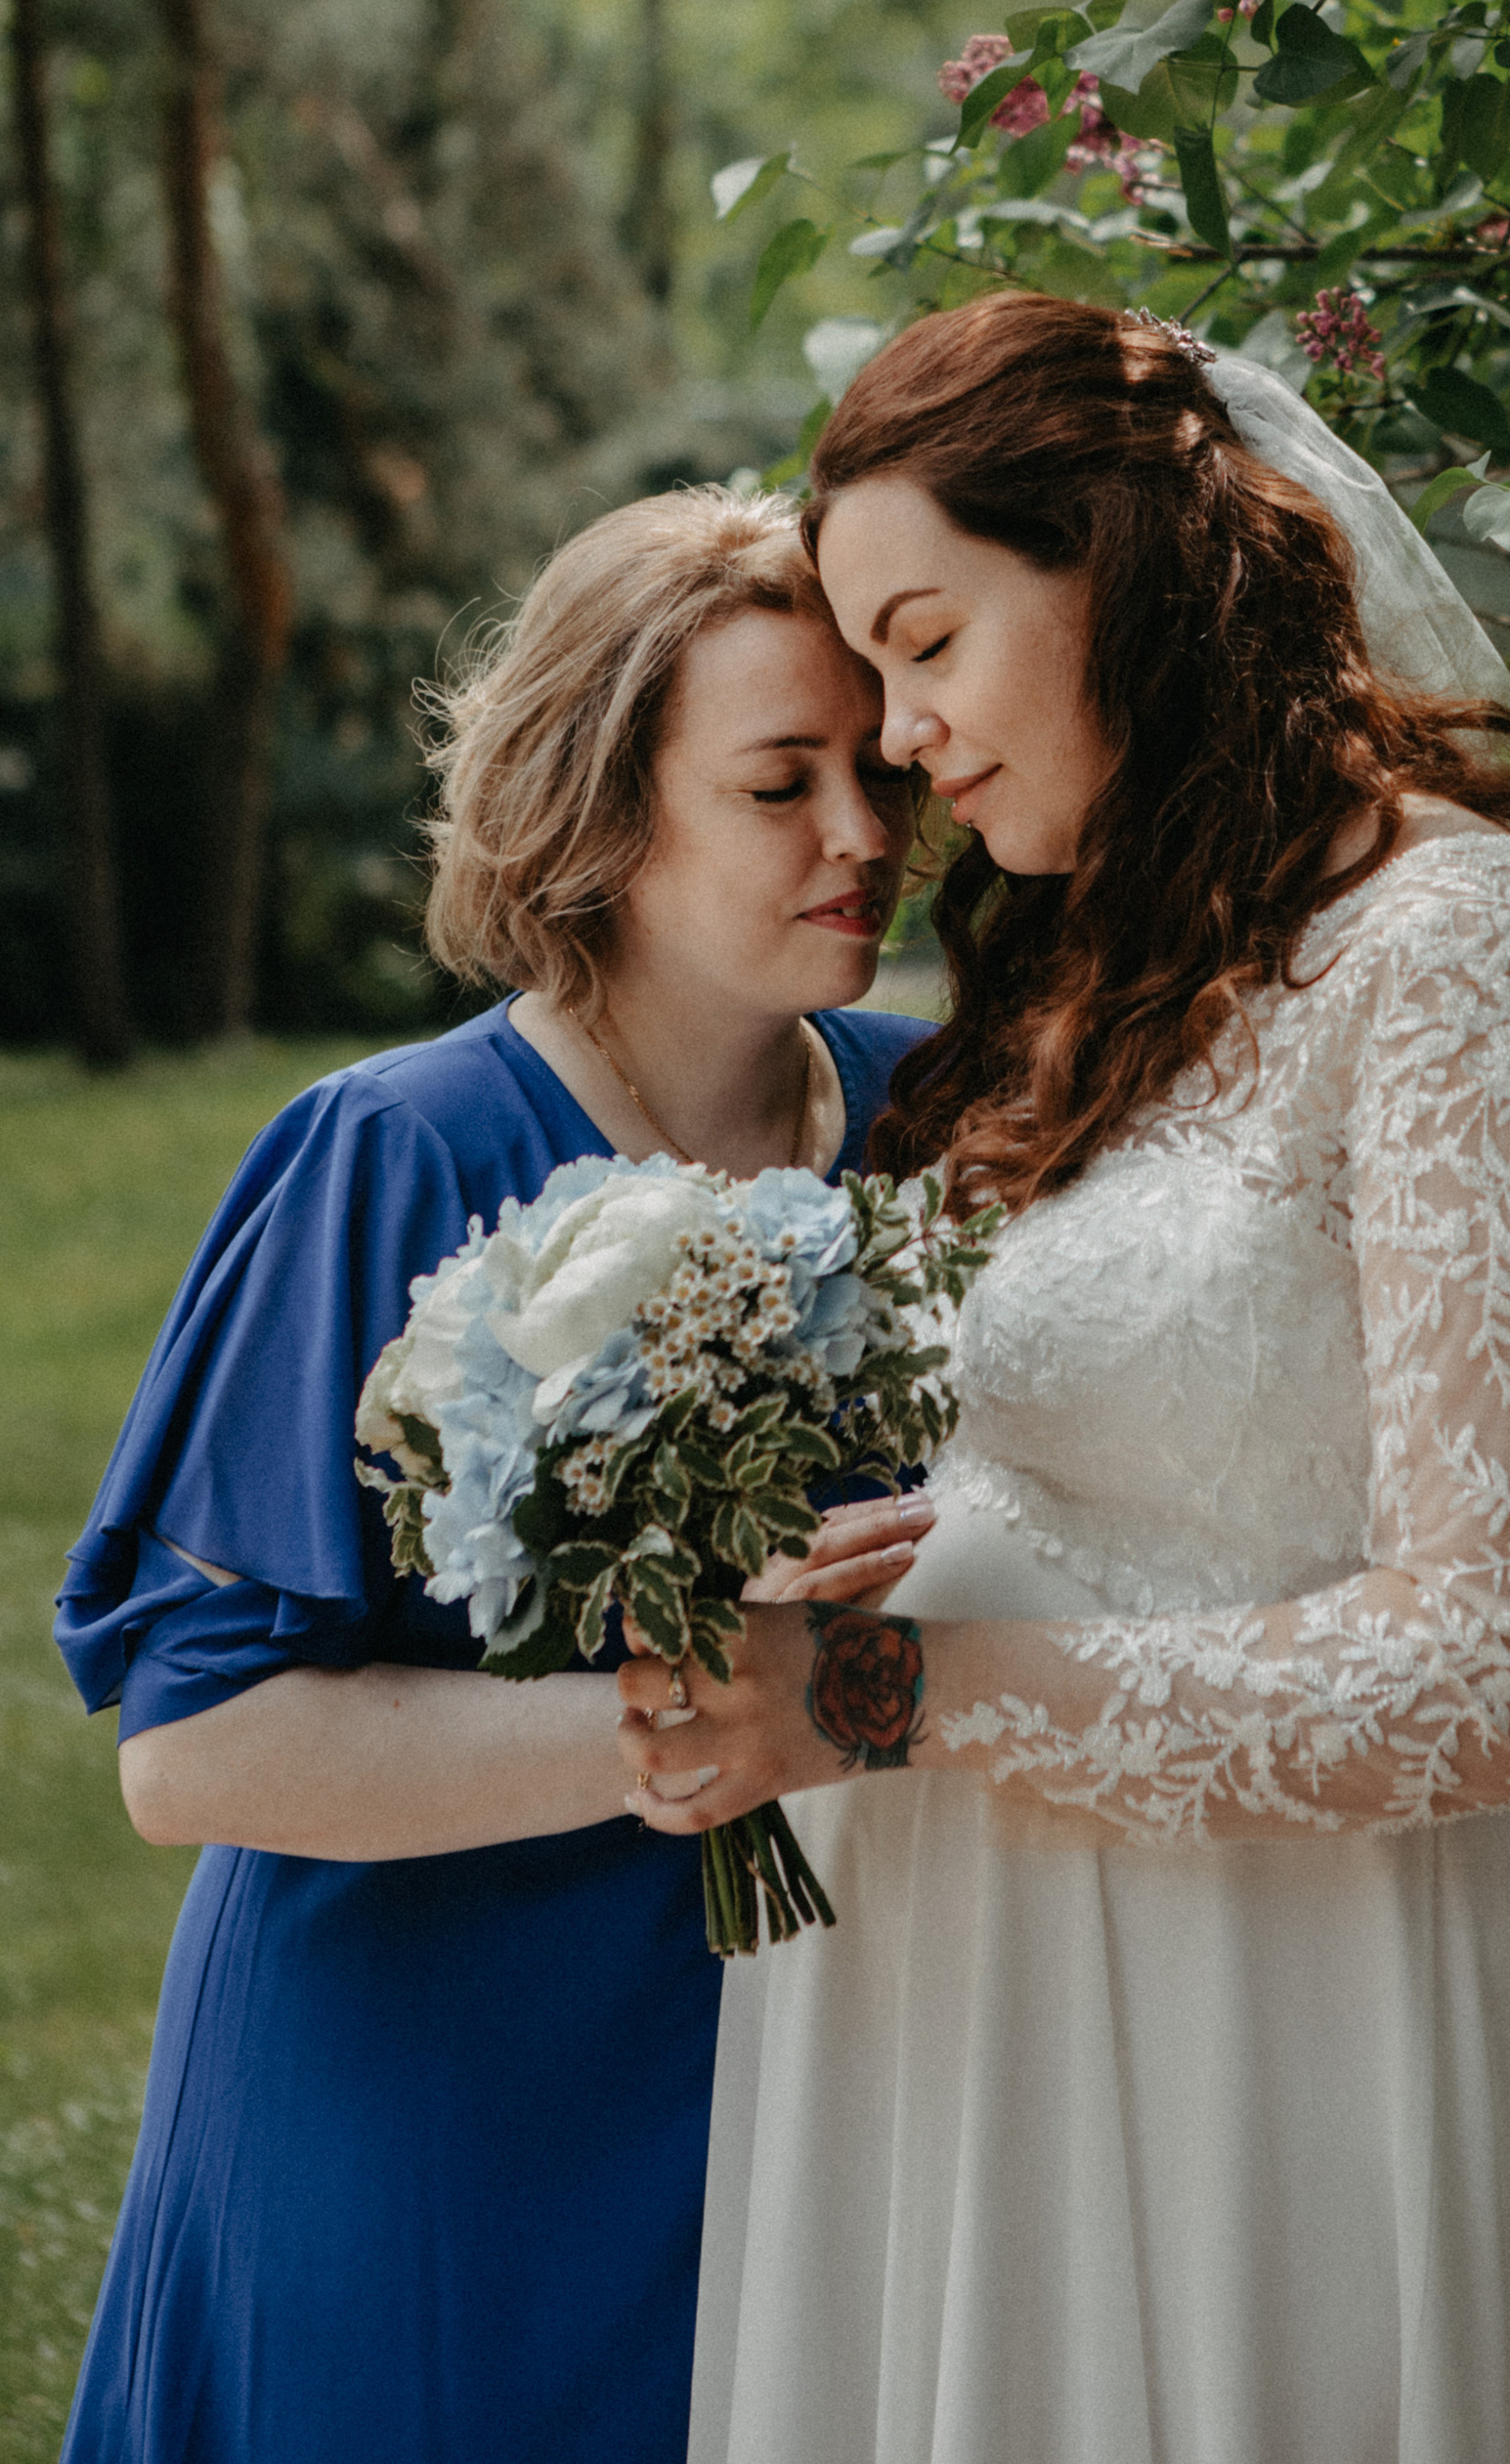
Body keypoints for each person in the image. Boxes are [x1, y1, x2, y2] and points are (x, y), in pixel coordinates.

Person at [626, 300, 1510, 2464]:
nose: (895, 738)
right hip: (969, 1996)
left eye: (926, 643)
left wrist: (897, 1696)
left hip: (1295, 2015)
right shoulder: (1101, 963)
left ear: (1117, 567)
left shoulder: (1464, 956)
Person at [54, 487, 935, 2464]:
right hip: (435, 2110)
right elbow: (192, 1751)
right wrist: (677, 1727)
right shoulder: (389, 1155)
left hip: (824, 2086)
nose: (864, 836)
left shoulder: (943, 1116)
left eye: (874, 768)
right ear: (604, 819)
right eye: (780, 782)